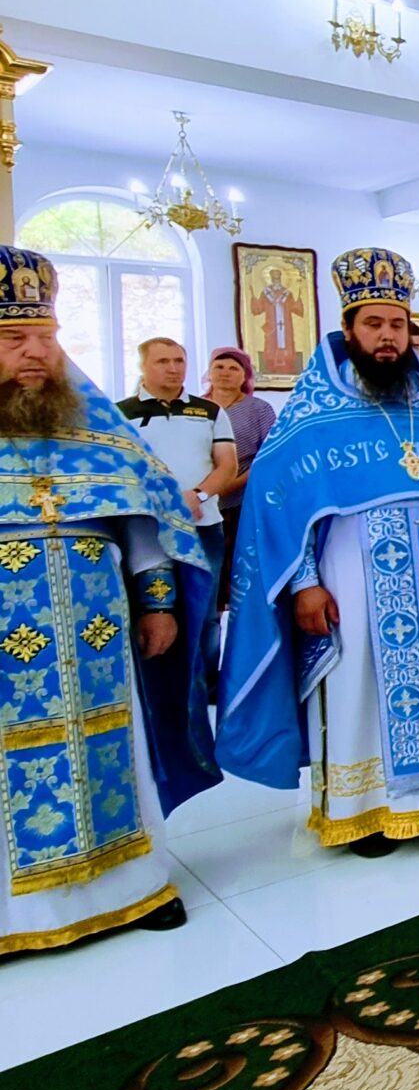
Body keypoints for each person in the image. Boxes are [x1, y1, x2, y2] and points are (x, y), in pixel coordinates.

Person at [218, 246, 419, 855]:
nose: (387, 337)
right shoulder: (314, 410)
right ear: (348, 329)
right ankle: (364, 807)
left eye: (397, 325)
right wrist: (304, 583)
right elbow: (282, 506)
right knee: (360, 682)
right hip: (351, 576)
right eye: (374, 324)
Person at [0, 249, 219, 954]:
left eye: (46, 336)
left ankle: (132, 887)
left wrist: (157, 604)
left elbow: (144, 524)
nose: (36, 352)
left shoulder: (94, 432)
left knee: (113, 746)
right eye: (15, 338)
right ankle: (17, 917)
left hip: (96, 631)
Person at [119, 338, 238, 695]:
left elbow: (227, 465)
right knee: (150, 607)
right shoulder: (120, 413)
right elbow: (118, 470)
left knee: (205, 610)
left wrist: (198, 495)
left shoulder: (210, 411)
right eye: (162, 361)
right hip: (147, 530)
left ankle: (206, 688)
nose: (173, 368)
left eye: (179, 361)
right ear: (143, 366)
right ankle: (156, 688)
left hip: (202, 526)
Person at [205, 347, 276, 607]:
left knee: (236, 567)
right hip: (200, 501)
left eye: (233, 368)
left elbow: (269, 456)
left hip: (241, 501)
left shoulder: (259, 409)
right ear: (209, 372)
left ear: (245, 375)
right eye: (219, 367)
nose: (225, 373)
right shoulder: (196, 408)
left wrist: (230, 484)